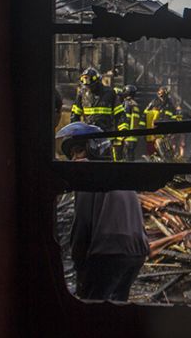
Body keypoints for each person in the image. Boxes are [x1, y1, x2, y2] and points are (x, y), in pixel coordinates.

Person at [55, 122, 148, 302]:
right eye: (72, 154)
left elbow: (82, 225)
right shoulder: (118, 172)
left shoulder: (88, 176)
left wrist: (79, 263)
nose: (74, 159)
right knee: (117, 306)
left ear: (93, 149)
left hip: (108, 252)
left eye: (78, 151)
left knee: (92, 309)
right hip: (137, 251)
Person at [70, 67, 128, 161]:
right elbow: (75, 115)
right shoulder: (82, 94)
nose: (89, 88)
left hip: (105, 135)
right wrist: (75, 131)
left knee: (105, 161)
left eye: (91, 86)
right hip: (88, 136)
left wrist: (123, 129)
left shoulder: (109, 93)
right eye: (87, 86)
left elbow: (120, 114)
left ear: (97, 81)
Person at [144, 86, 183, 159]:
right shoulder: (154, 102)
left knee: (166, 148)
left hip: (166, 129)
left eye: (163, 95)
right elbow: (145, 113)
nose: (161, 97)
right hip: (155, 128)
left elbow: (174, 117)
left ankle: (167, 160)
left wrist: (173, 129)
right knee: (154, 148)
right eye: (160, 95)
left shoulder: (170, 104)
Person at [122, 85, 144, 161]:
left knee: (126, 158)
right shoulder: (135, 104)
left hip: (127, 135)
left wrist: (123, 133)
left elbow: (126, 118)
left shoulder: (127, 104)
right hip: (134, 137)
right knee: (131, 157)